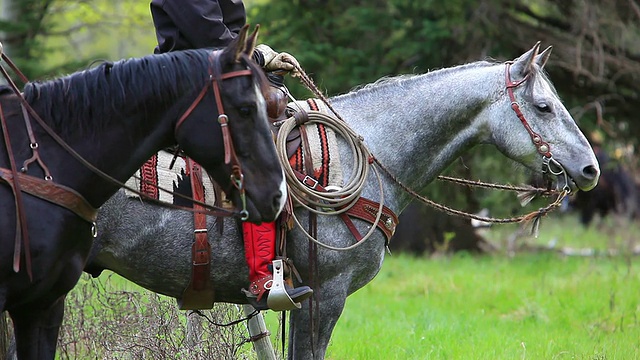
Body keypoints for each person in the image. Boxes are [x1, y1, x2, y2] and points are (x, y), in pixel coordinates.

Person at [150, 0, 313, 311]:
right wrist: (254, 55)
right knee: (251, 146)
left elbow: (231, 27)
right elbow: (206, 31)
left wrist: (252, 59)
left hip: (213, 72)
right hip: (190, 78)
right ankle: (265, 276)